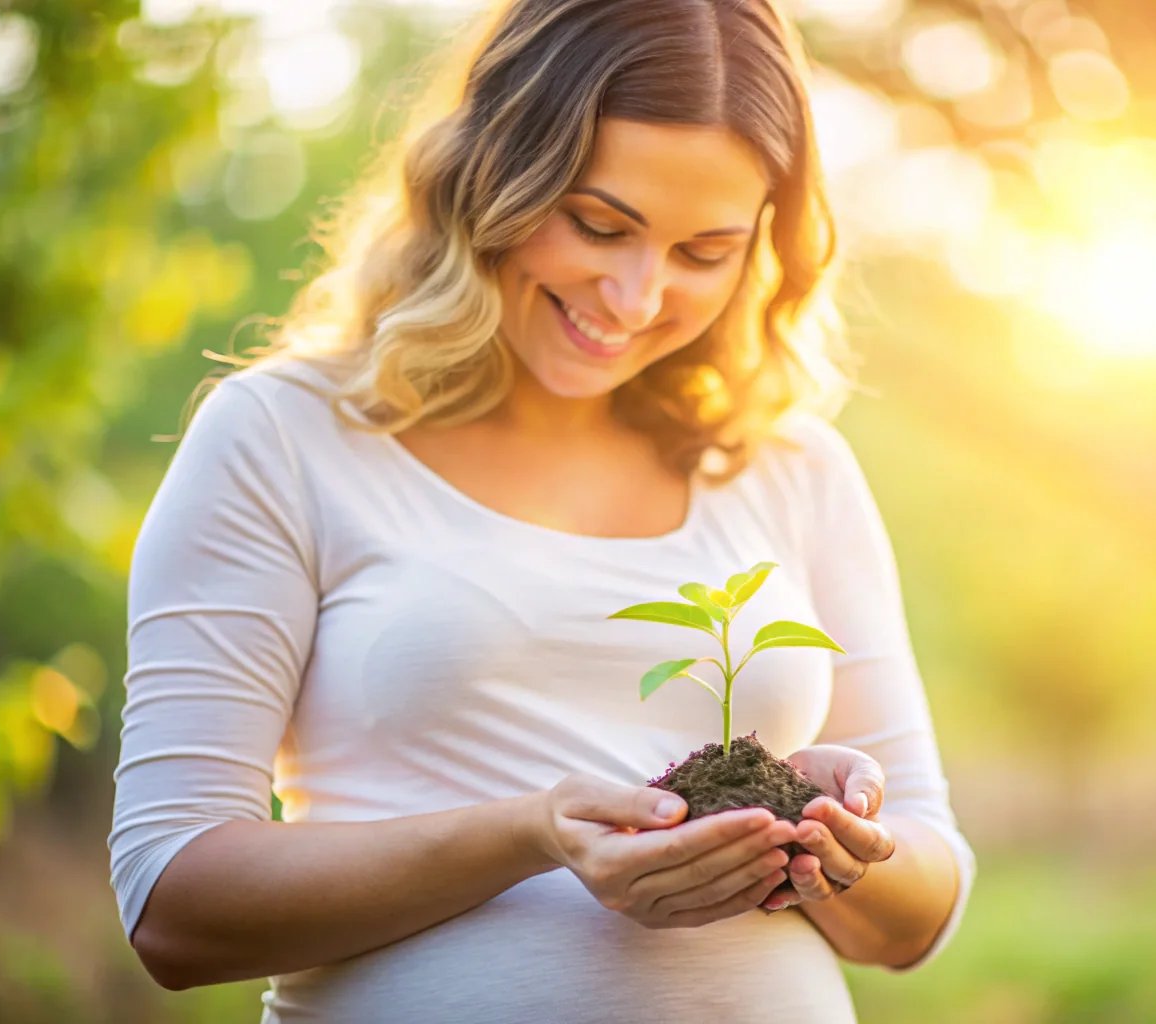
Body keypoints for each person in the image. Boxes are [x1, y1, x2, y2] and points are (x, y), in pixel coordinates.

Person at [105, 1, 974, 1020]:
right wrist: (528, 834)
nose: (635, 295)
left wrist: (835, 842)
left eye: (703, 252)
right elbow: (173, 904)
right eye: (599, 225)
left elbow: (917, 912)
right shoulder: (287, 436)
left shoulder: (788, 467)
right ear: (487, 176)